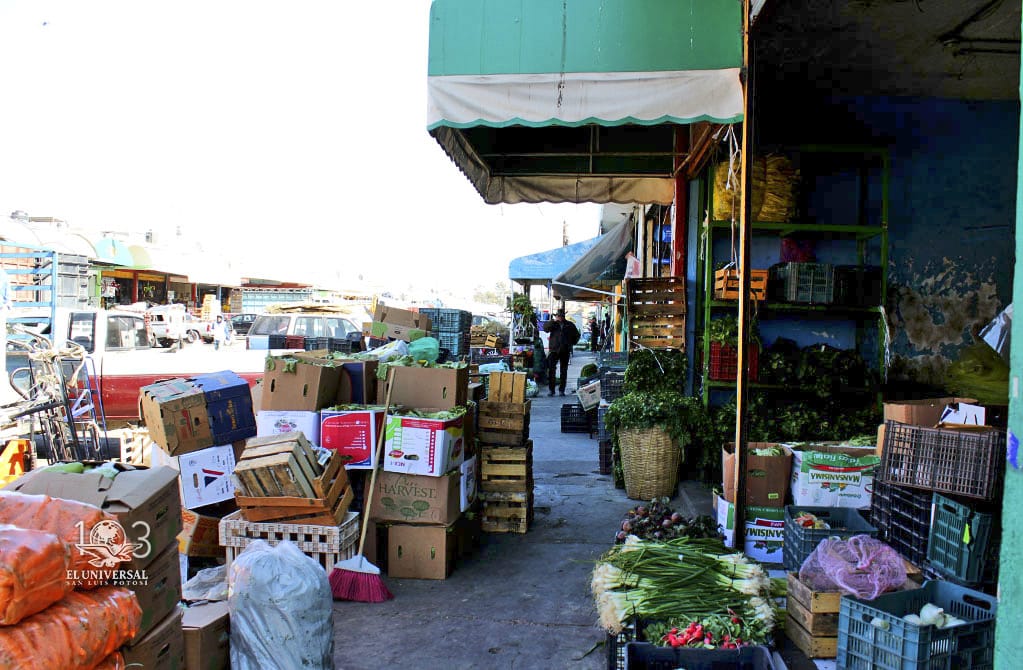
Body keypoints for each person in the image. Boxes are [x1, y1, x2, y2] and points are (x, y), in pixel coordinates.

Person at [543, 309, 580, 397]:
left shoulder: (569, 325)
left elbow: (577, 335)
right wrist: (553, 321)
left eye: (560, 316)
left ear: (563, 316)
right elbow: (545, 329)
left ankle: (561, 390)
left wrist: (570, 344)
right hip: (554, 350)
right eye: (558, 316)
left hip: (565, 350)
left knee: (563, 371)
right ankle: (551, 390)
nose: (559, 317)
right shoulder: (553, 324)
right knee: (551, 370)